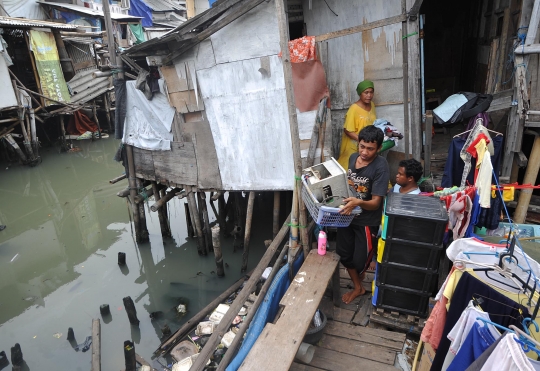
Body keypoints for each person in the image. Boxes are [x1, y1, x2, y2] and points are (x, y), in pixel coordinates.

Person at [337, 125, 389, 304]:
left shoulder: (381, 166)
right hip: (346, 216)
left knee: (360, 261)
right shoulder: (352, 158)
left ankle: (360, 282)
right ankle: (358, 287)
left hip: (366, 220)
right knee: (344, 254)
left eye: (370, 149)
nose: (364, 152)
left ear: (379, 148)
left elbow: (376, 203)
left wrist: (358, 202)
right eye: (362, 146)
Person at [337, 80, 377, 170]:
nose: (369, 95)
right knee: (351, 169)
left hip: (368, 145)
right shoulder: (354, 109)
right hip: (354, 146)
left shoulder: (372, 105)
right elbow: (347, 130)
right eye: (366, 92)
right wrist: (362, 141)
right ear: (360, 94)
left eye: (371, 92)